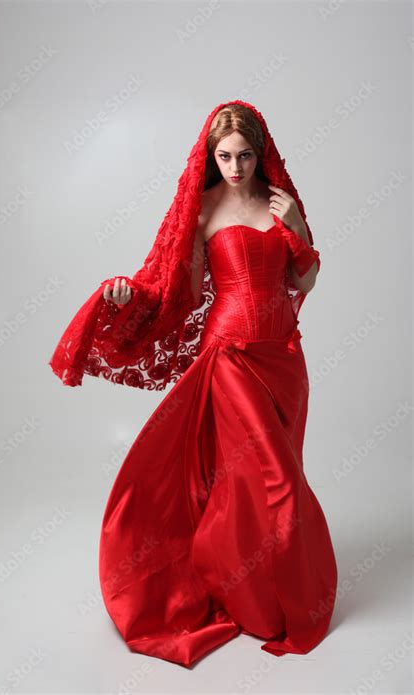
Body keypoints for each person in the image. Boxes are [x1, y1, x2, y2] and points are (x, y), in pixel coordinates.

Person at [49, 100, 338, 667]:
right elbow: (174, 290)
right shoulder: (203, 209)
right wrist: (128, 294)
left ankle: (251, 588)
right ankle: (266, 599)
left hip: (284, 359)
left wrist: (299, 230)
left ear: (262, 153)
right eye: (224, 156)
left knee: (255, 484)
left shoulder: (282, 207)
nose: (235, 166)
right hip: (228, 353)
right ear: (211, 156)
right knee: (274, 480)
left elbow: (303, 279)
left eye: (245, 155)